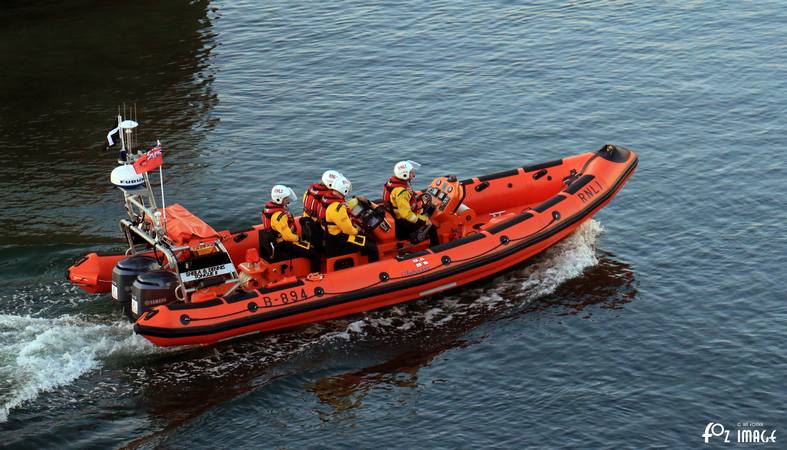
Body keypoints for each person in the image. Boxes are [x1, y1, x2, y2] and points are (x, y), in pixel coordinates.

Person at [262, 184, 321, 273]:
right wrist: (298, 238)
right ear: (279, 199)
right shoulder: (279, 216)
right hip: (285, 244)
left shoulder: (272, 209)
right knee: (315, 253)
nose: (288, 200)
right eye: (286, 198)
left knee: (309, 245)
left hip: (280, 240)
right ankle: (315, 275)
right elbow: (288, 237)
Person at [323, 174, 379, 264]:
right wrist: (358, 230)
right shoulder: (338, 207)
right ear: (344, 190)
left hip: (332, 236)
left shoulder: (330, 201)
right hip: (340, 238)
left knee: (365, 240)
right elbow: (348, 230)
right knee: (372, 247)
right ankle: (373, 270)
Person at [383, 160, 438, 245]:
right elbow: (406, 214)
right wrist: (423, 221)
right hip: (402, 222)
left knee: (429, 209)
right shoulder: (401, 192)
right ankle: (436, 248)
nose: (413, 175)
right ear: (404, 174)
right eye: (411, 173)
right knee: (432, 227)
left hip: (397, 216)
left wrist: (415, 198)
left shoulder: (394, 182)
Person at [301, 169, 345, 249]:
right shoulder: (328, 198)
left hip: (306, 221)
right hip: (320, 227)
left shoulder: (309, 191)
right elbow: (332, 214)